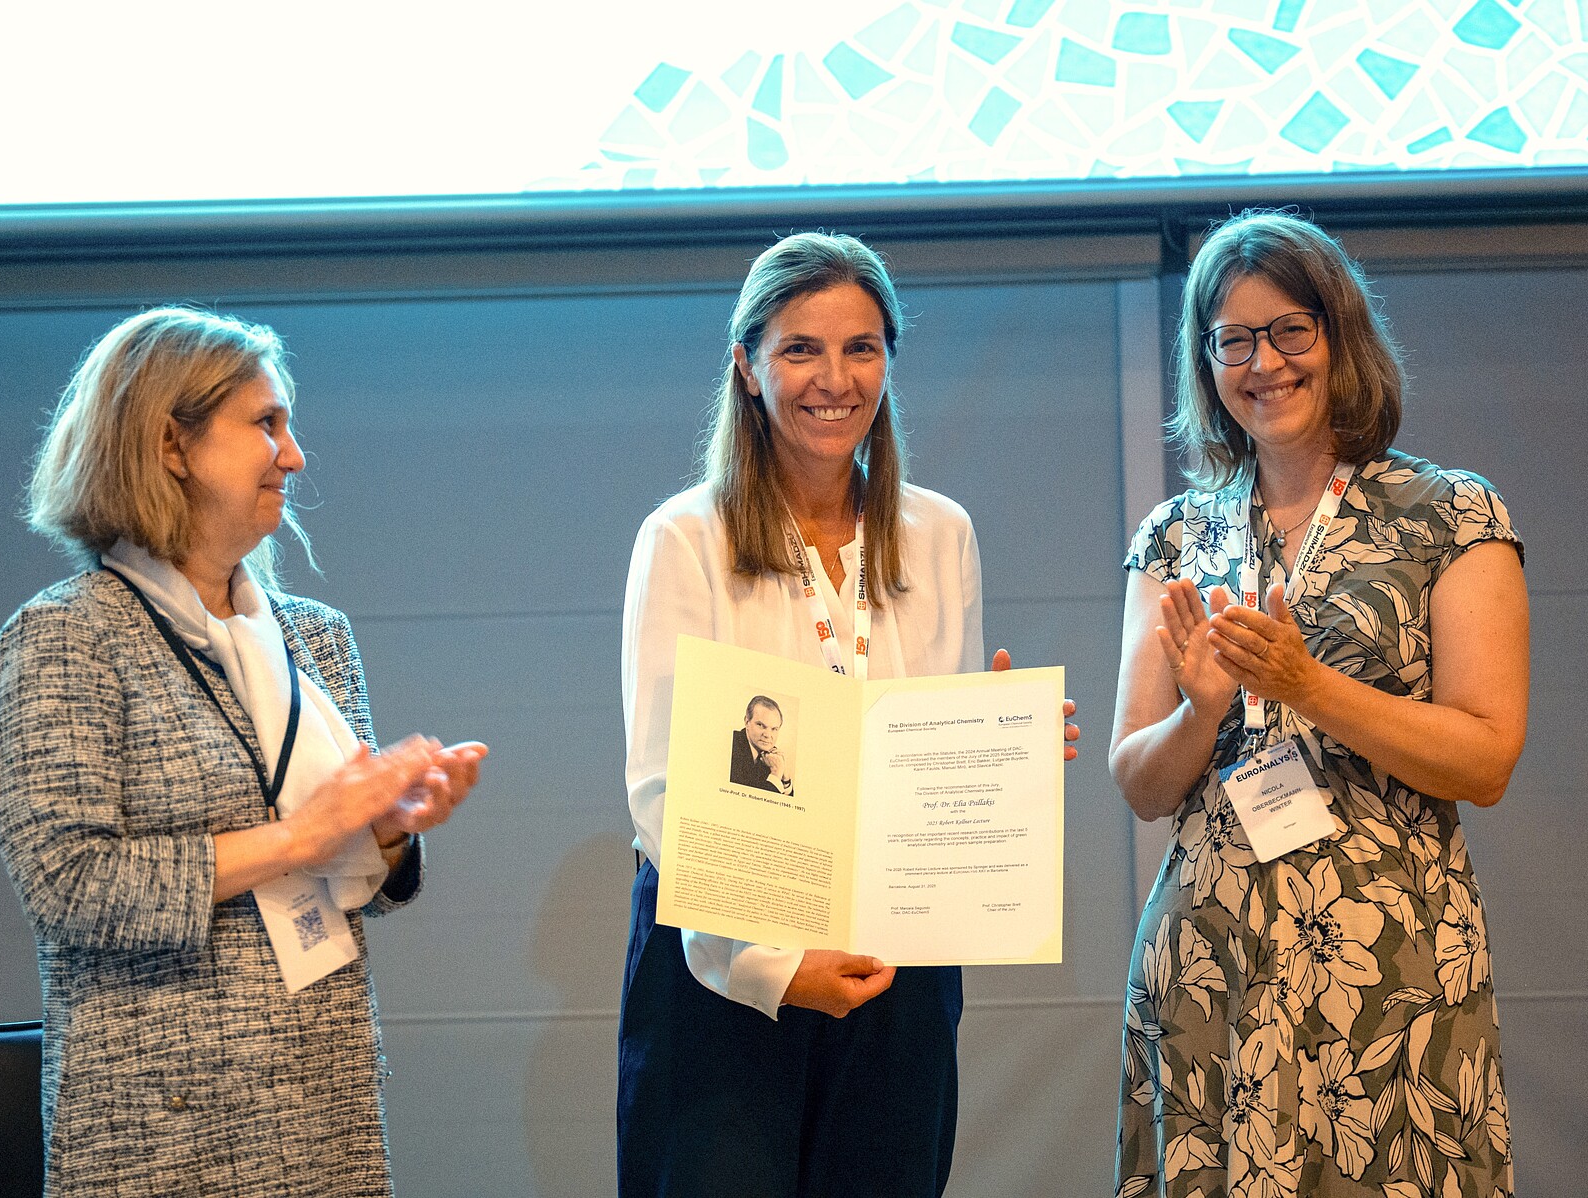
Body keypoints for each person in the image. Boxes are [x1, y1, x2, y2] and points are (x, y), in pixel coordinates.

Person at [0, 308, 486, 1196]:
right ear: (172, 444)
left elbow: (367, 884)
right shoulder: (64, 638)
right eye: (266, 423)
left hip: (323, 1101)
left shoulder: (314, 638)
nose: (294, 455)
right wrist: (298, 838)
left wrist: (390, 828)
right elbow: (69, 887)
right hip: (161, 1128)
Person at [618, 232, 1077, 1197]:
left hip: (896, 961)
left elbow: (933, 758)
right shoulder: (685, 537)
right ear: (747, 367)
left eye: (861, 348)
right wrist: (773, 966)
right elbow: (663, 789)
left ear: (889, 362)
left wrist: (1004, 755)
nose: (834, 379)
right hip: (725, 968)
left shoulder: (941, 533)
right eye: (801, 349)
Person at [1108, 211, 1527, 1197]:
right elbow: (1140, 782)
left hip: (1388, 973)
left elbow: (1487, 759)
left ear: (1340, 335)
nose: (1265, 362)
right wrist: (1201, 711)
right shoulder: (1174, 536)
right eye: (1233, 340)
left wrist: (1309, 687)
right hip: (1209, 964)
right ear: (1206, 361)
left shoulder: (1452, 513)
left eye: (1290, 330)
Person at [729, 695, 791, 793]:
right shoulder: (731, 745)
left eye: (774, 729)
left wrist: (785, 778)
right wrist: (775, 773)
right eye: (761, 725)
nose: (767, 735)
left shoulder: (772, 757)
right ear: (747, 722)